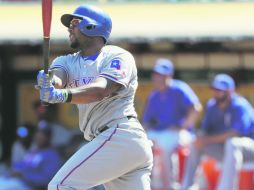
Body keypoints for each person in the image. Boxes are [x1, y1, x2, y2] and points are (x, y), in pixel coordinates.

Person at [36, 5, 153, 190]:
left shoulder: (117, 55)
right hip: (115, 143)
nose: (69, 28)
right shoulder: (66, 61)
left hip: (120, 135)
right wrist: (48, 81)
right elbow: (58, 78)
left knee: (60, 186)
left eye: (74, 22)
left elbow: (101, 90)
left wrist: (61, 95)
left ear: (92, 26)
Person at [181, 74, 254, 190]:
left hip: (249, 149)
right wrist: (200, 138)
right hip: (227, 151)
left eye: (220, 90)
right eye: (214, 89)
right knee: (195, 143)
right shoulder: (212, 106)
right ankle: (186, 186)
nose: (216, 92)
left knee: (232, 143)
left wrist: (207, 139)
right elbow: (205, 131)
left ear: (230, 91)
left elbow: (235, 133)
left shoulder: (239, 105)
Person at [142, 58, 202, 189]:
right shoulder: (154, 95)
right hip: (159, 132)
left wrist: (182, 126)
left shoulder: (179, 88)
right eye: (156, 74)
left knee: (165, 144)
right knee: (142, 144)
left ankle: (171, 186)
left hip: (180, 133)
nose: (157, 77)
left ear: (169, 75)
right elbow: (146, 122)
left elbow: (196, 108)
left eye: (161, 75)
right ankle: (148, 184)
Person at [0, 121, 61, 190]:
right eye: (37, 133)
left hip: (29, 186)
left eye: (43, 134)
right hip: (16, 182)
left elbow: (47, 179)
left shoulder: (52, 156)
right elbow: (23, 164)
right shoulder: (34, 151)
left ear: (49, 137)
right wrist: (14, 171)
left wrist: (23, 175)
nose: (38, 136)